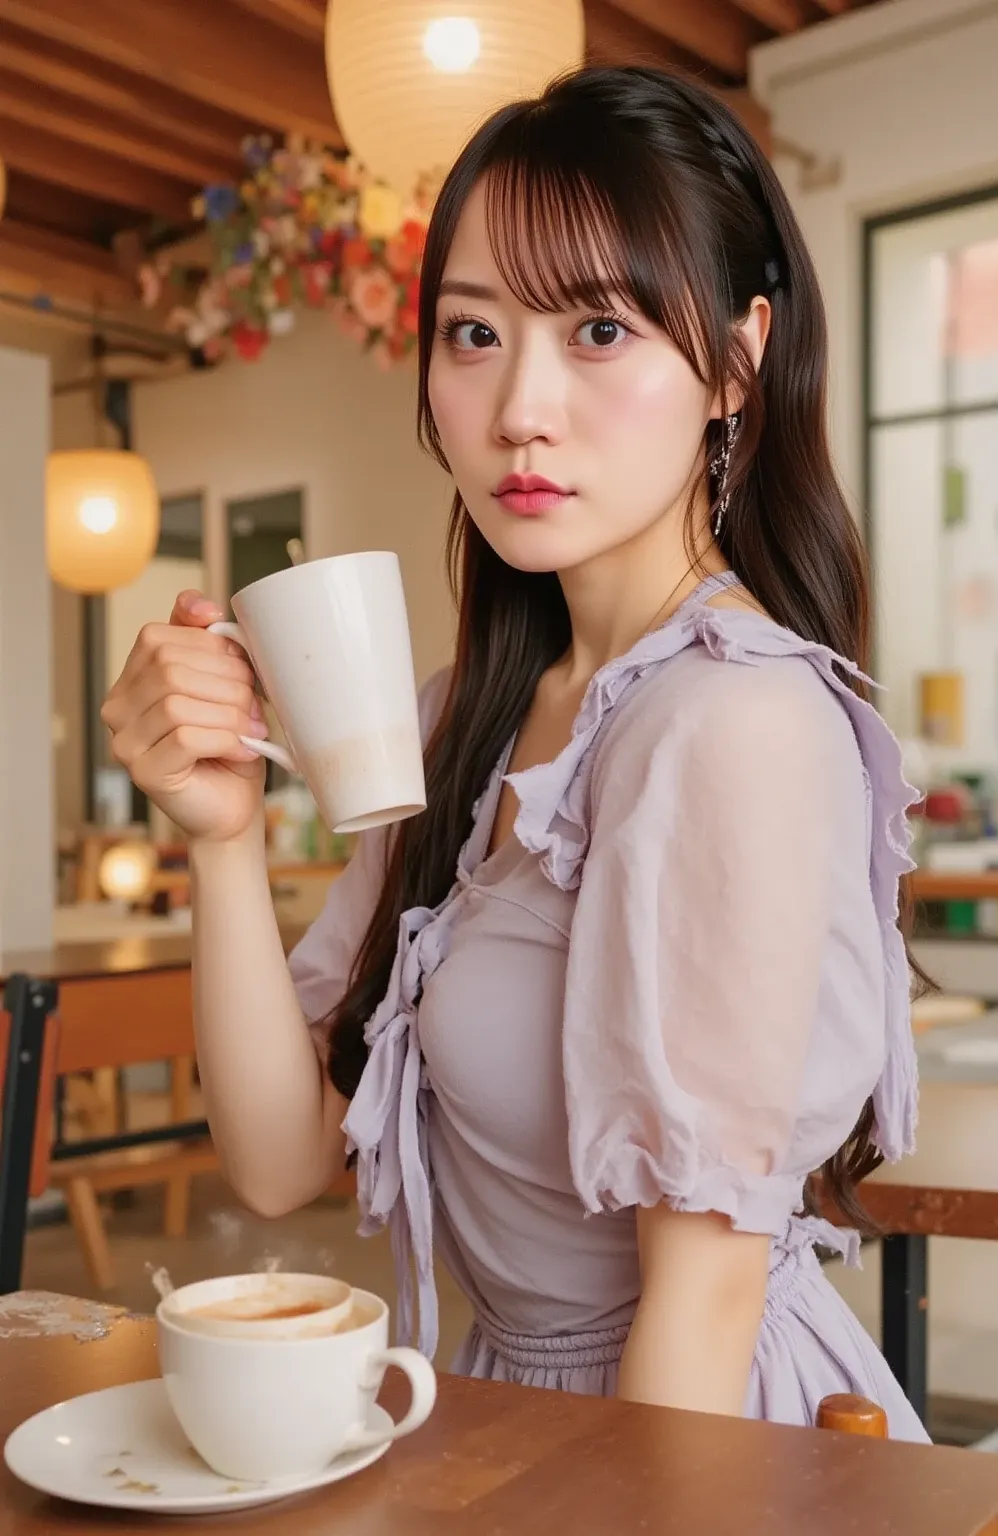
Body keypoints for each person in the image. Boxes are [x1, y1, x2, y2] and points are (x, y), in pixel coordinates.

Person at [102, 66, 926, 1439]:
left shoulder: (736, 722)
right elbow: (276, 1156)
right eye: (475, 333)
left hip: (692, 1444)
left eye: (599, 327)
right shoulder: (460, 716)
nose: (519, 410)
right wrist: (221, 831)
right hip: (503, 1424)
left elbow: (703, 1308)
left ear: (737, 361)